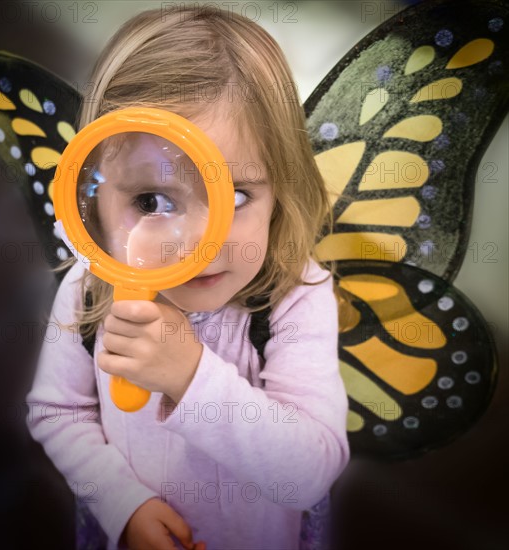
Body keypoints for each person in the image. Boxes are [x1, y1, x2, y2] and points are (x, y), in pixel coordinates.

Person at [26, 5, 350, 550]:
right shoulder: (89, 288)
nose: (199, 243)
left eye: (237, 195)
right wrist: (121, 504)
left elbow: (308, 475)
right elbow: (57, 412)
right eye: (152, 200)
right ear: (93, 200)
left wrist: (191, 376)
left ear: (280, 195)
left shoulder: (295, 299)